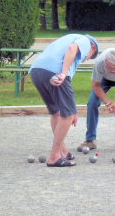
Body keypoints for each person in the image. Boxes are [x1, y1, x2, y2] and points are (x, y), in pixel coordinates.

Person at [29, 34, 99, 167]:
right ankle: (54, 156)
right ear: (92, 47)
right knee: (68, 115)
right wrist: (63, 73)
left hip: (37, 71)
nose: (86, 58)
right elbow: (72, 48)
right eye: (91, 55)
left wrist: (71, 108)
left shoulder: (67, 37)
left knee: (56, 112)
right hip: (55, 72)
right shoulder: (85, 41)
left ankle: (63, 151)